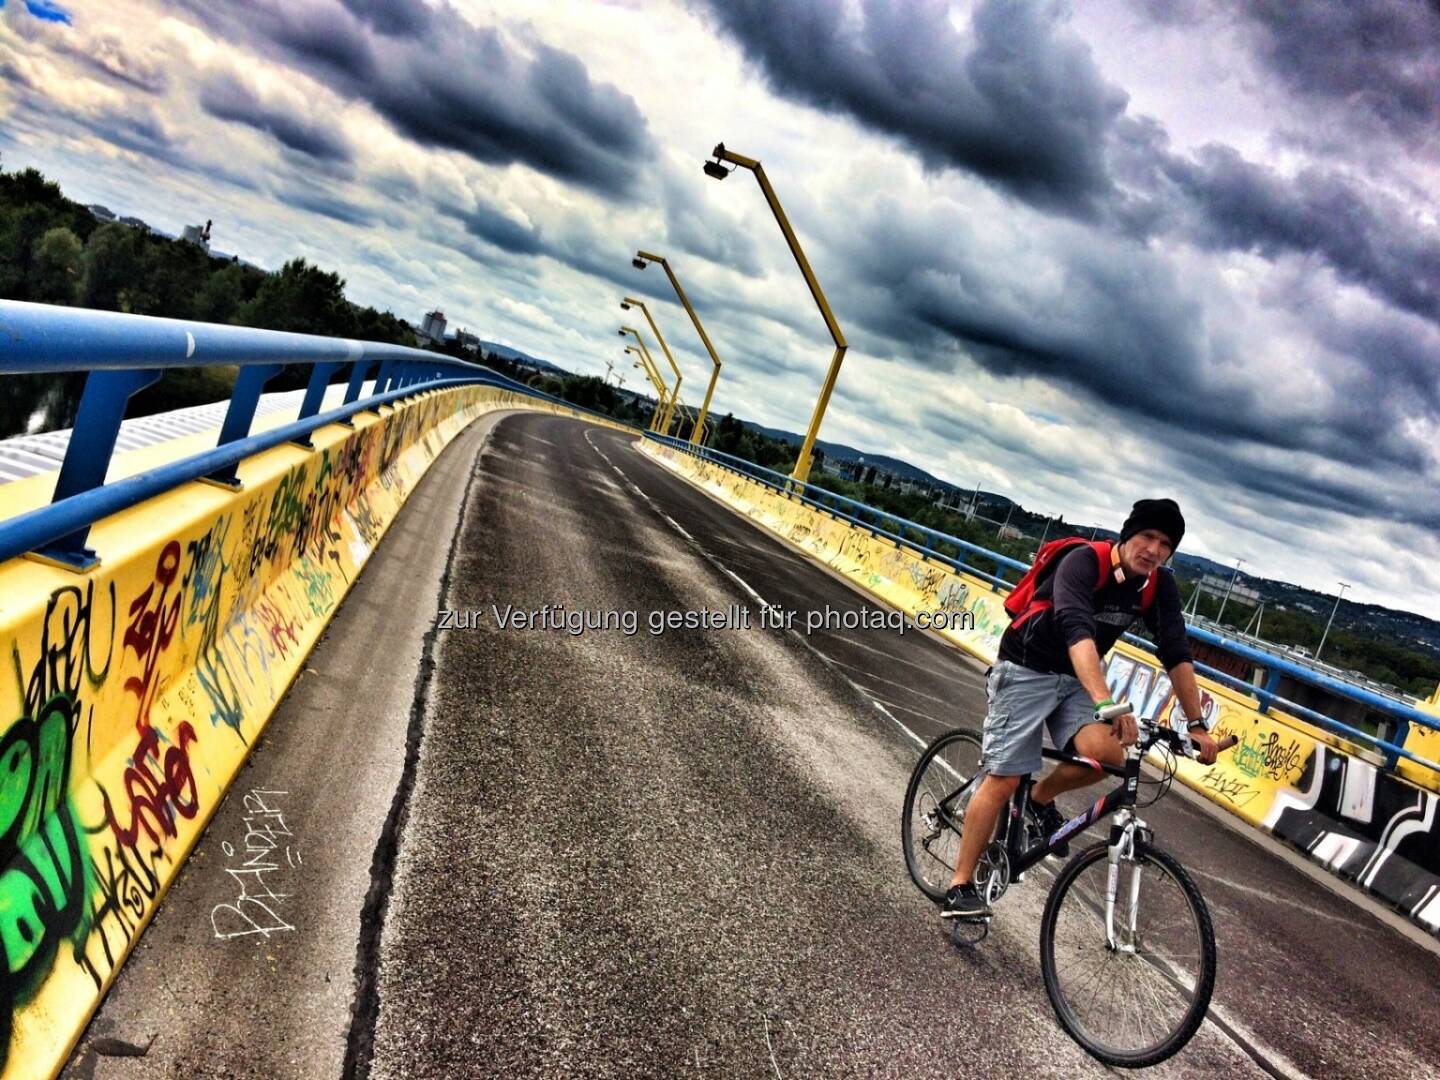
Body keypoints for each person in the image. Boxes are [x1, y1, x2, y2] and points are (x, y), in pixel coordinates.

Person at [942, 497, 1220, 921]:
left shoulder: (1157, 586)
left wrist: (1196, 724)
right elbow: (1077, 631)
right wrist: (1106, 701)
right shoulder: (1082, 563)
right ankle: (960, 884)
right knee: (1004, 777)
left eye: (1166, 544)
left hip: (1075, 681)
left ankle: (1038, 799)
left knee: (1107, 758)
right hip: (1027, 669)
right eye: (1147, 536)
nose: (1154, 550)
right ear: (1128, 534)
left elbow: (1176, 652)